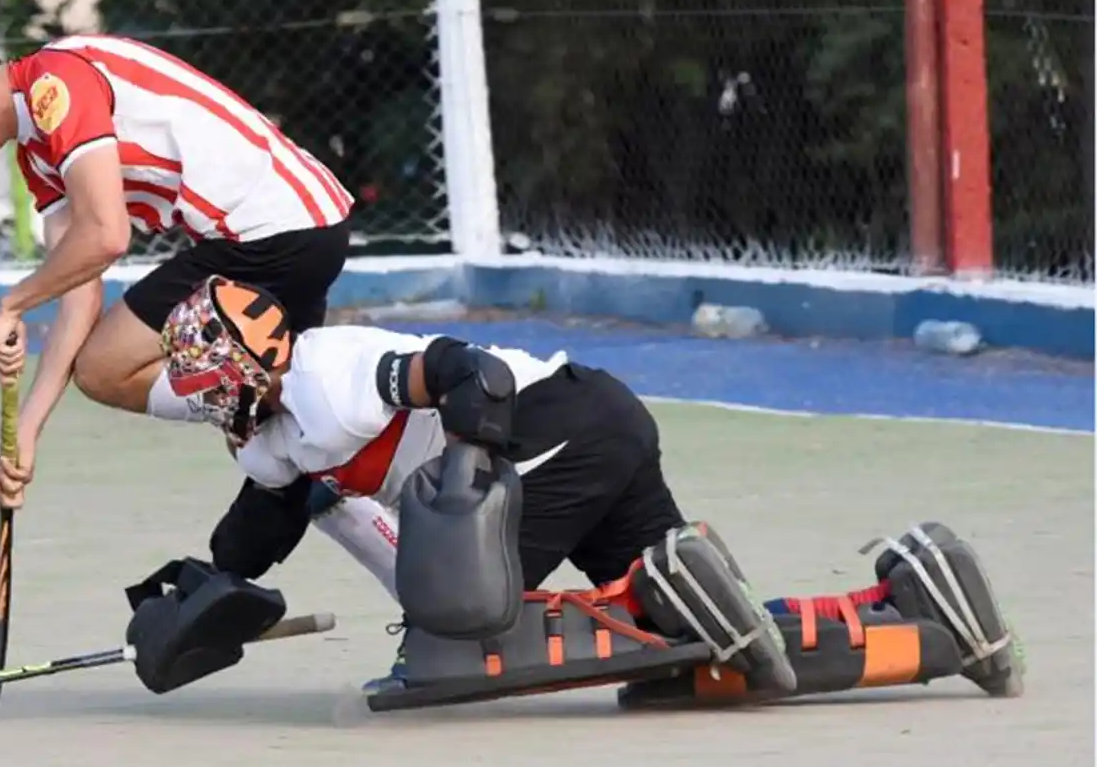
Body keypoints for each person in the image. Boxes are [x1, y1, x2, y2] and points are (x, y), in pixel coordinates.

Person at [157, 275, 1024, 704]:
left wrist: (466, 496)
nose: (208, 407)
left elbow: (475, 373)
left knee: (457, 616)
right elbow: (253, 534)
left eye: (210, 387)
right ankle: (925, 610)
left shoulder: (328, 374)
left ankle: (665, 580)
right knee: (686, 649)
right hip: (594, 429)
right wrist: (195, 599)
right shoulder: (270, 438)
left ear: (246, 365)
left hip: (562, 422)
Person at [0, 27, 353, 505]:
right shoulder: (37, 157)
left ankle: (276, 400)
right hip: (288, 229)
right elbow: (79, 295)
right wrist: (26, 432)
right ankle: (292, 419)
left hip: (268, 232)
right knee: (287, 468)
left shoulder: (54, 81)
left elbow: (106, 236)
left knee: (107, 368)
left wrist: (11, 304)